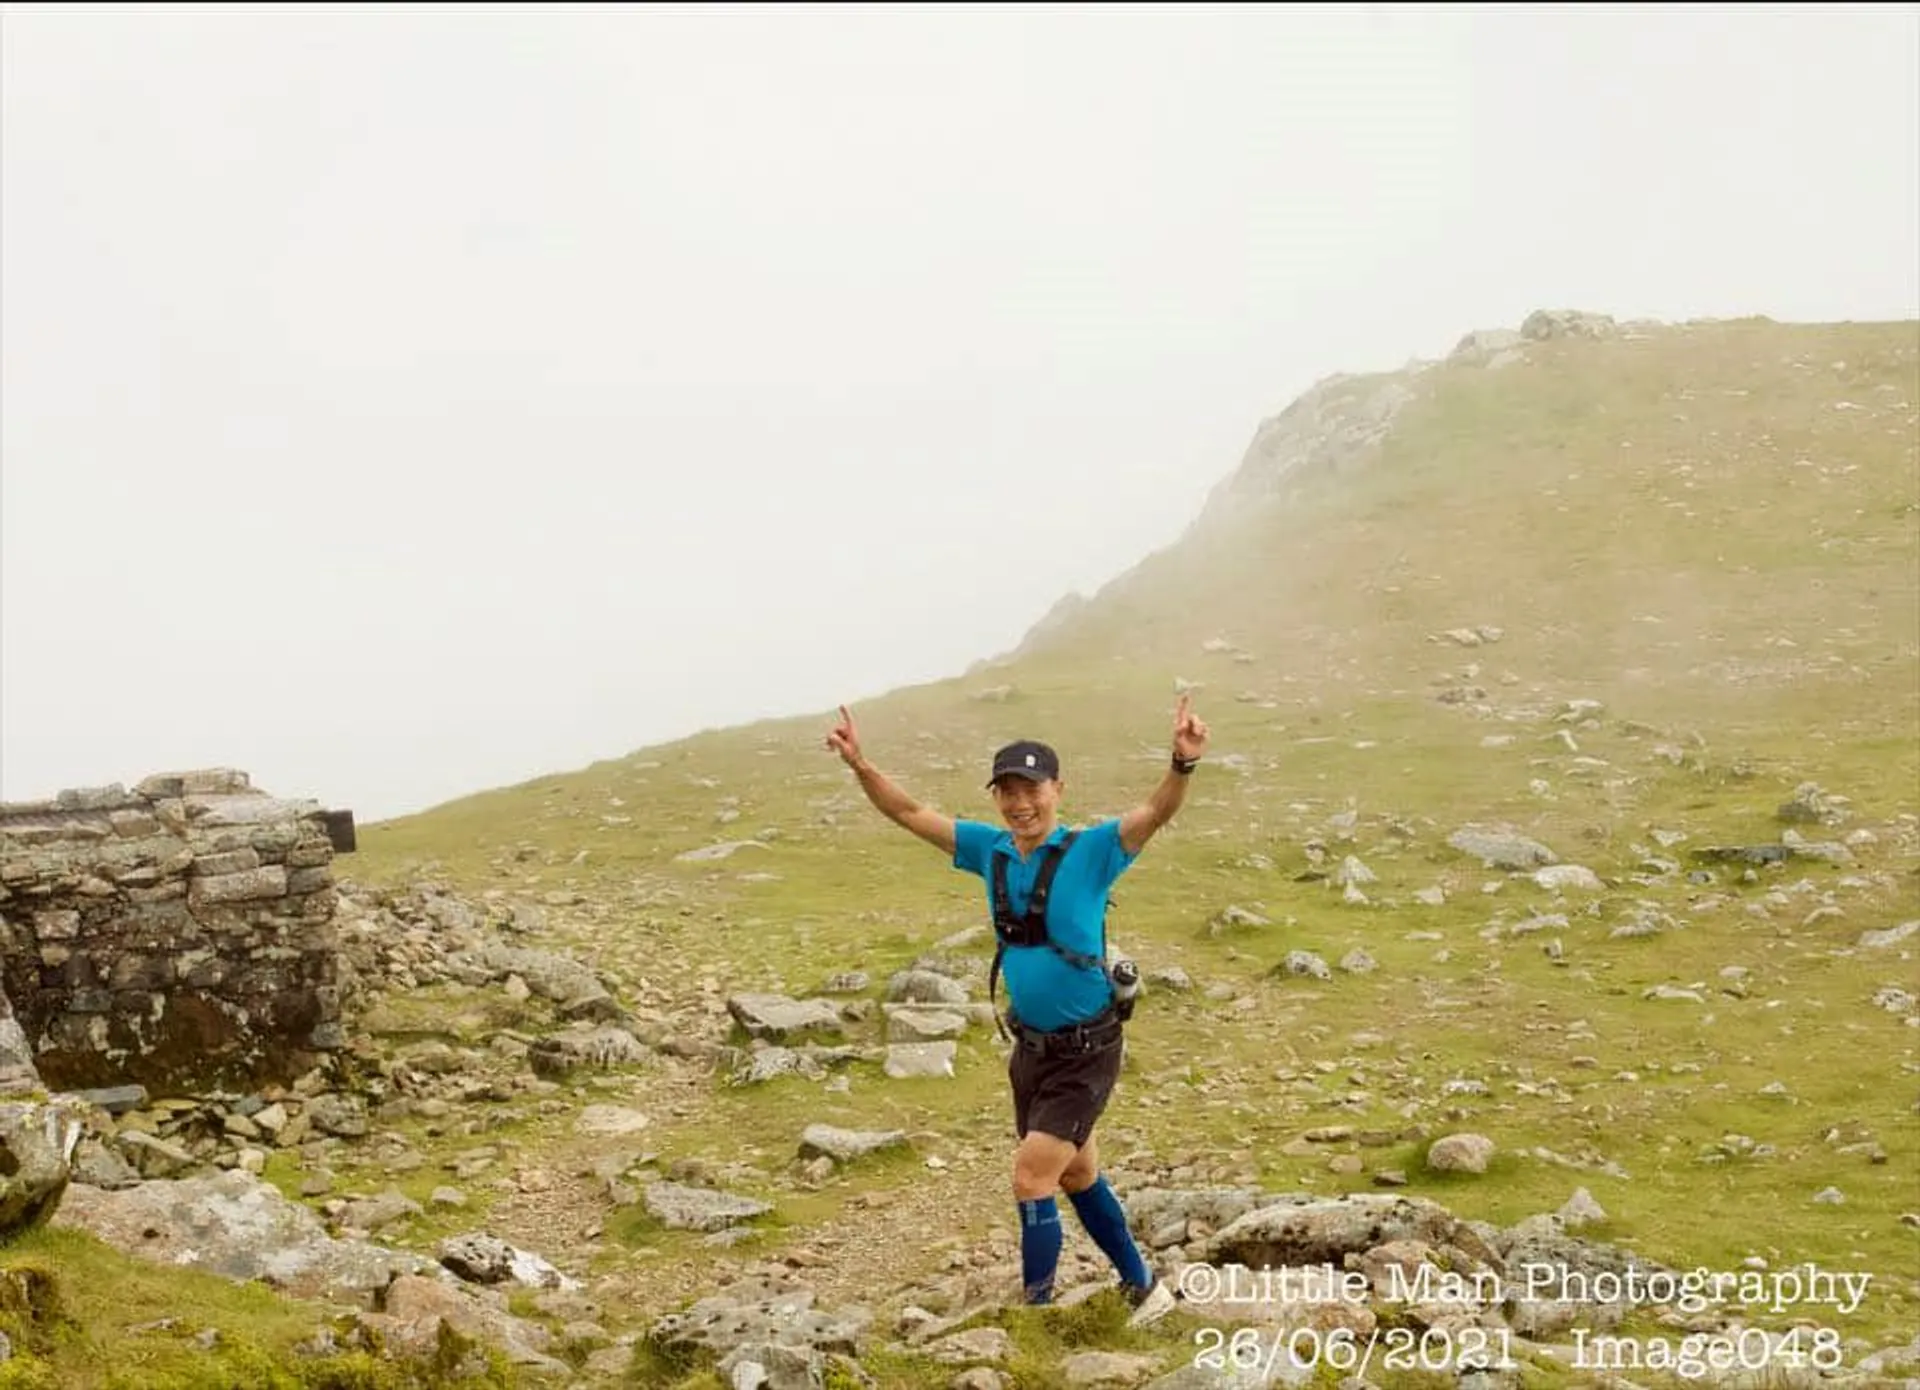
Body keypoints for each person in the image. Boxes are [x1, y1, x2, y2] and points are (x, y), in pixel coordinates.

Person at [825, 694, 1209, 1314]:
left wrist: (1182, 763)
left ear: (1058, 789)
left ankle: (1036, 1312)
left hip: (1087, 1049)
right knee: (1076, 1174)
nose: (1020, 803)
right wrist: (861, 766)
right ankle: (1144, 1289)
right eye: (1007, 791)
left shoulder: (1093, 851)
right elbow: (909, 812)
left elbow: (1155, 813)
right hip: (1029, 1050)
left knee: (1032, 1177)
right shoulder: (989, 850)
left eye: (1031, 789)